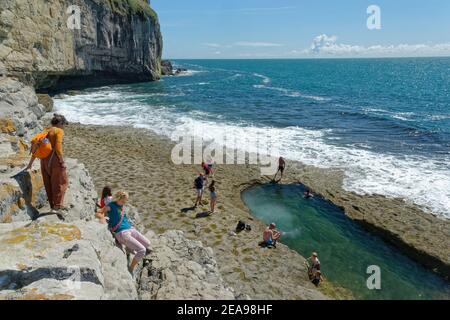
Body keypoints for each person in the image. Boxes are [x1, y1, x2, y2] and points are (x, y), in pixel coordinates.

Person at [26, 114, 69, 217]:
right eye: (64, 125)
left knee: (48, 184)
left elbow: (37, 147)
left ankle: (52, 206)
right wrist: (62, 161)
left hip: (44, 161)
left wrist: (30, 164)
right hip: (54, 161)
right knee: (61, 182)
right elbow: (58, 147)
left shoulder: (46, 131)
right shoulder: (58, 131)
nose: (64, 127)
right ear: (60, 123)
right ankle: (57, 208)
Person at [101, 191, 151, 274]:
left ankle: (129, 247)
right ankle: (131, 269)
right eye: (124, 201)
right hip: (122, 233)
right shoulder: (111, 206)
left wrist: (131, 227)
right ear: (118, 198)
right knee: (142, 250)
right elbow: (100, 212)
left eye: (126, 201)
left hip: (130, 229)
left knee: (148, 243)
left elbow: (123, 218)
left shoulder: (122, 206)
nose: (125, 202)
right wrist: (103, 219)